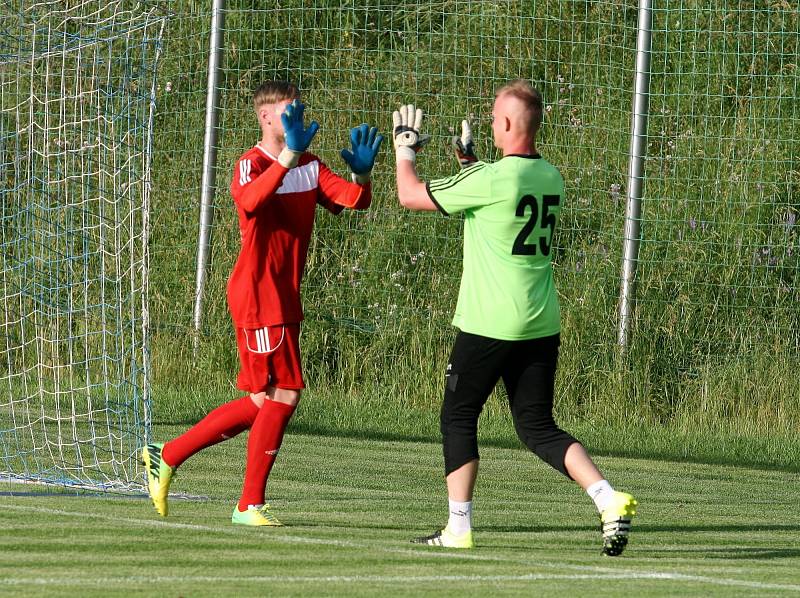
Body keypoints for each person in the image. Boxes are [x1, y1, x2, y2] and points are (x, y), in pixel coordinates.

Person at [391, 80, 637, 555]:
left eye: (493, 117)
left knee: (458, 417)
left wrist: (406, 148)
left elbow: (410, 195)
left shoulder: (490, 179)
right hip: (540, 322)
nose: (489, 122)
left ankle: (458, 527)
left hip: (488, 324)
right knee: (537, 427)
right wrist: (471, 165)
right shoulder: (550, 176)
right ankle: (607, 497)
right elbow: (501, 199)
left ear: (505, 124)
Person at [142, 80, 383, 526]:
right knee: (284, 392)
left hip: (284, 298)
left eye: (300, 111)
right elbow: (250, 201)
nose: (297, 119)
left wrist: (363, 175)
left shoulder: (309, 165)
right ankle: (248, 504)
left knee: (262, 400)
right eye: (288, 112)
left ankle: (167, 453)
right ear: (265, 117)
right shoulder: (250, 164)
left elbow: (356, 200)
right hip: (257, 295)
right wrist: (288, 156)